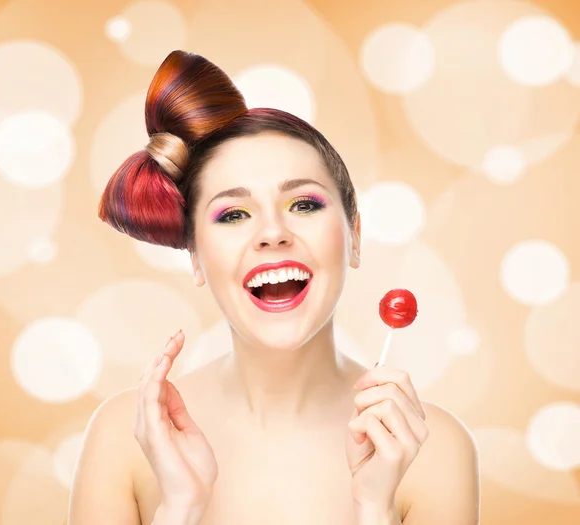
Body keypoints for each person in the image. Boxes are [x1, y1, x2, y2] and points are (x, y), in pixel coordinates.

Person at [68, 50, 479, 525]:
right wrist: (180, 509)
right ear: (196, 257)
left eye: (303, 204)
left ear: (355, 238)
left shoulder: (433, 448)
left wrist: (374, 509)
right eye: (234, 214)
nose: (271, 232)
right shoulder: (128, 435)